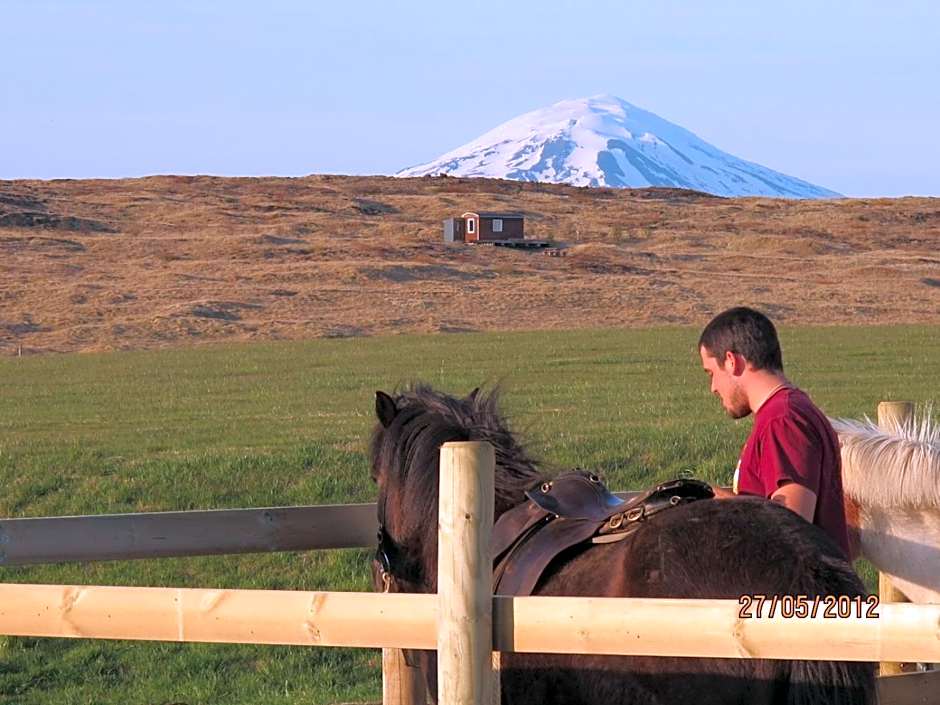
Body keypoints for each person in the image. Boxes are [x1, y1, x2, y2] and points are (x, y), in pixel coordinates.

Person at [698, 306, 850, 557]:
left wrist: (710, 501)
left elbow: (791, 525)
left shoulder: (783, 419)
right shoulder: (790, 410)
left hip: (800, 582)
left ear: (732, 361)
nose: (713, 387)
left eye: (711, 373)